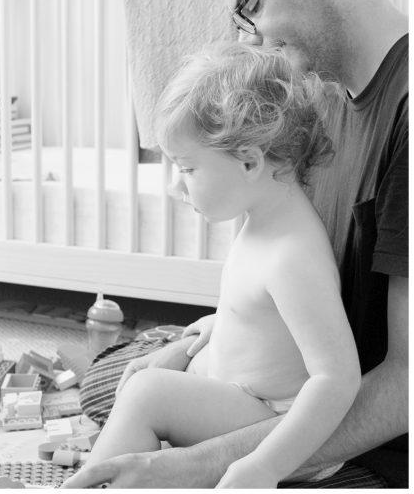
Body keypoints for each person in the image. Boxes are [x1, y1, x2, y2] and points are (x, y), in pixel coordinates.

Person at [63, 0, 408, 489]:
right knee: (120, 375)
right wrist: (201, 341)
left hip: (349, 423)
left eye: (250, 5)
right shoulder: (321, 96)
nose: (255, 38)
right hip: (283, 362)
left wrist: (198, 464)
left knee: (141, 402)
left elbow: (405, 384)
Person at [68, 43, 361, 488]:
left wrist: (263, 467)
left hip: (279, 430)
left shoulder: (292, 256)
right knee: (147, 374)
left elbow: (337, 379)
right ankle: (125, 466)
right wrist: (214, 326)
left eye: (187, 169)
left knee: (147, 394)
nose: (176, 187)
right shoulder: (266, 220)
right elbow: (262, 314)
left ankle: (94, 482)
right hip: (247, 397)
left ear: (249, 161)